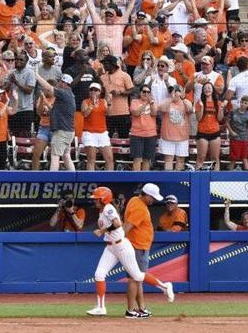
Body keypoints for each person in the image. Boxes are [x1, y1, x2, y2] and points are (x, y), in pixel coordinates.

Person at [87, 186, 174, 318]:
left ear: (104, 199)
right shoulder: (104, 209)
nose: (95, 201)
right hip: (111, 247)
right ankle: (100, 307)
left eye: (97, 199)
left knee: (138, 276)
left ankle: (164, 286)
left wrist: (102, 231)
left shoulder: (108, 208)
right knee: (99, 274)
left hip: (121, 246)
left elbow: (117, 224)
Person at [34, 72, 76, 171]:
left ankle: (53, 180)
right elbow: (55, 110)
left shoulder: (64, 93)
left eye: (61, 82)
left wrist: (37, 75)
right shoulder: (69, 94)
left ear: (65, 83)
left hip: (61, 131)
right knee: (66, 156)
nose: (59, 84)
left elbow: (48, 88)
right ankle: (74, 178)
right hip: (68, 131)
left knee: (55, 156)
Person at [80, 82, 114, 171]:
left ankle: (109, 180)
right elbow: (85, 114)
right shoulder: (85, 101)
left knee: (109, 159)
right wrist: (91, 105)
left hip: (102, 132)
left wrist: (110, 103)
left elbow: (109, 114)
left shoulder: (103, 101)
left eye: (96, 90)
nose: (93, 92)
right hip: (89, 133)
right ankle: (91, 180)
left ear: (100, 92)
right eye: (91, 90)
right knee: (91, 159)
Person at [129, 84, 157, 171]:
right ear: (140, 93)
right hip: (137, 134)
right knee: (137, 158)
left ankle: (145, 180)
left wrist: (151, 103)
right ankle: (136, 180)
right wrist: (145, 103)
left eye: (148, 92)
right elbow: (136, 113)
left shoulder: (153, 102)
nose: (146, 93)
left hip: (150, 134)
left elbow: (154, 113)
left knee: (147, 159)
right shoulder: (134, 102)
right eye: (144, 91)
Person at [226, 94, 248, 170]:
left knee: (245, 158)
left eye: (245, 103)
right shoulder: (233, 112)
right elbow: (227, 122)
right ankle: (229, 176)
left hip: (244, 139)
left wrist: (246, 134)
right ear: (240, 102)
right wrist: (231, 132)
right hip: (235, 138)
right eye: (242, 102)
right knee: (234, 158)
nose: (243, 104)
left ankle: (247, 177)